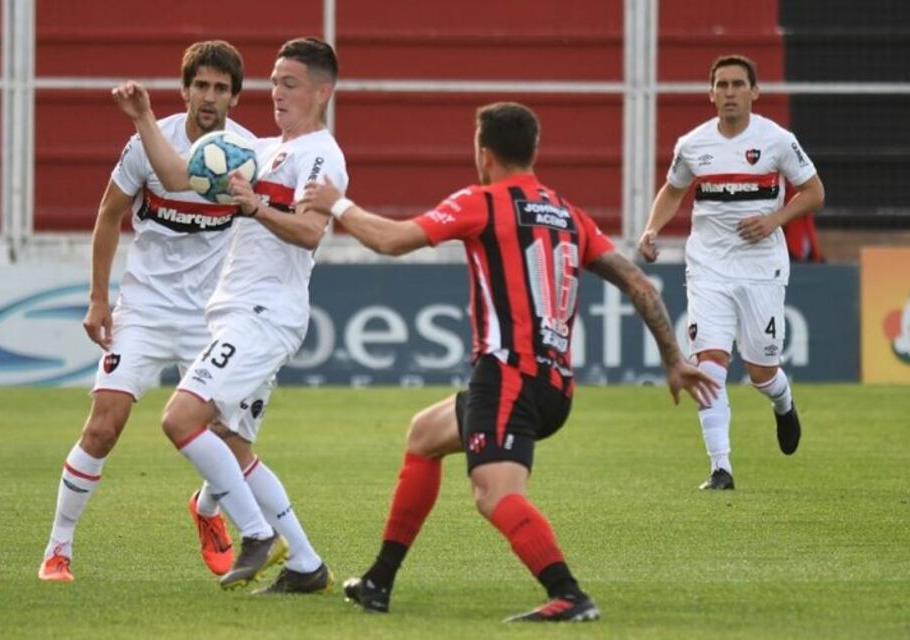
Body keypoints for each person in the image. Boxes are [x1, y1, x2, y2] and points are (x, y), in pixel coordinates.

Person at [300, 102, 718, 622]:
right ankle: (378, 582)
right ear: (534, 151)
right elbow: (636, 282)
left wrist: (337, 205)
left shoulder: (483, 202)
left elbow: (391, 240)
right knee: (423, 436)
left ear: (484, 154)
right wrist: (673, 359)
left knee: (493, 495)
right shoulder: (567, 213)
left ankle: (569, 594)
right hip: (555, 385)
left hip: (509, 376)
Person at [110, 37, 347, 593]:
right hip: (237, 312)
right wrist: (144, 117)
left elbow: (312, 232)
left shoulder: (321, 154)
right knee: (231, 443)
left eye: (289, 84)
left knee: (179, 420)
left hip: (264, 315)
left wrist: (255, 206)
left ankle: (258, 534)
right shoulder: (263, 151)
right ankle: (307, 566)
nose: (277, 93)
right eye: (273, 82)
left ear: (322, 92)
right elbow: (176, 176)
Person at [638, 54, 825, 490]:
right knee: (710, 364)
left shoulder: (777, 141)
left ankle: (783, 402)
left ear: (754, 92)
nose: (729, 93)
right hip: (708, 267)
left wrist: (774, 220)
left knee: (761, 373)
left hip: (761, 267)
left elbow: (815, 192)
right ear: (711, 94)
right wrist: (652, 228)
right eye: (721, 86)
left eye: (738, 85)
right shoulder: (693, 145)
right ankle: (721, 468)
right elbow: (672, 190)